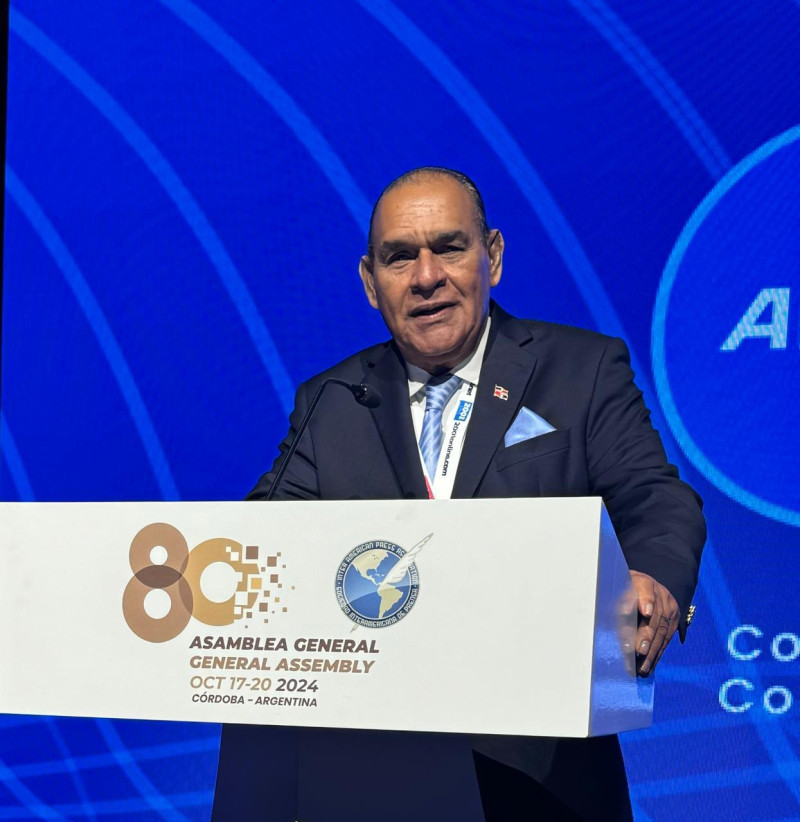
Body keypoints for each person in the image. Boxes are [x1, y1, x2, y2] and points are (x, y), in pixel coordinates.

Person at [213, 167, 705, 821]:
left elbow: (652, 496)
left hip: (538, 774)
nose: (425, 277)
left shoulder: (581, 369)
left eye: (448, 247)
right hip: (371, 773)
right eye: (399, 257)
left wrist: (652, 575)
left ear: (492, 257)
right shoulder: (331, 400)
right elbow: (264, 544)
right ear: (370, 283)